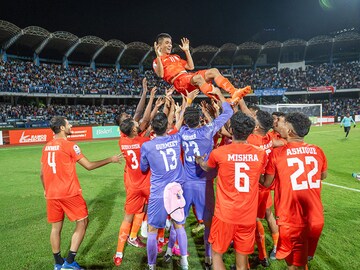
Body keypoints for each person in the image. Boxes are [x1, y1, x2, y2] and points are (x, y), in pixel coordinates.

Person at [40, 116, 121, 270]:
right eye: (68, 124)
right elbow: (89, 166)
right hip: (69, 193)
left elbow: (42, 174)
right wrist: (110, 159)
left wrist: (46, 189)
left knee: (56, 228)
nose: (71, 125)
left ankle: (58, 263)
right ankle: (69, 262)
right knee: (82, 222)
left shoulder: (46, 147)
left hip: (51, 194)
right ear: (62, 128)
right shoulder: (71, 146)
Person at [196, 111, 267, 270]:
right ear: (250, 132)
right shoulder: (260, 154)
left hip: (225, 215)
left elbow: (207, 168)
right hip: (248, 216)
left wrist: (200, 161)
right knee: (242, 264)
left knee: (216, 254)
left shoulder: (219, 153)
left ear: (232, 130)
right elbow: (262, 178)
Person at [262, 112, 327, 270]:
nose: (279, 125)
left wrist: (255, 172)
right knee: (302, 261)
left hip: (291, 220)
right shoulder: (317, 151)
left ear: (290, 131)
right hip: (316, 218)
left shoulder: (278, 154)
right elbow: (322, 175)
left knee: (293, 265)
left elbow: (266, 183)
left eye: (283, 123)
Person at [179, 86, 234, 269]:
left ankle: (179, 255)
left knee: (180, 221)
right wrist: (220, 96)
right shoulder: (208, 130)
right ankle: (209, 258)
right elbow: (228, 113)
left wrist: (186, 102)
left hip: (186, 183)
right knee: (209, 223)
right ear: (201, 120)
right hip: (205, 184)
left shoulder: (181, 133)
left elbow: (177, 123)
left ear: (186, 121)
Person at [140, 112, 190, 270]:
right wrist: (180, 110)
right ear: (167, 127)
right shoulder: (176, 139)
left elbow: (143, 168)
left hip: (159, 192)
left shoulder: (147, 146)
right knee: (179, 225)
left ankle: (152, 265)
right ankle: (184, 262)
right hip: (176, 190)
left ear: (152, 128)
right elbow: (179, 126)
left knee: (152, 230)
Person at [153, 33, 251, 102]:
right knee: (199, 78)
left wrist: (187, 51)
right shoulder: (156, 61)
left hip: (187, 76)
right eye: (166, 43)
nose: (170, 45)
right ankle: (224, 101)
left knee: (214, 71)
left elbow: (191, 67)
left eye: (170, 43)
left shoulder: (175, 56)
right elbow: (161, 74)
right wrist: (158, 56)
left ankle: (234, 92)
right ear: (158, 45)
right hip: (179, 81)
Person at [113, 118, 151, 266]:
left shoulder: (121, 143)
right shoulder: (144, 142)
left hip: (133, 186)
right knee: (151, 213)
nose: (138, 125)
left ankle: (118, 254)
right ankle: (158, 243)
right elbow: (147, 132)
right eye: (136, 125)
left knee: (127, 218)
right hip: (147, 184)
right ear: (134, 130)